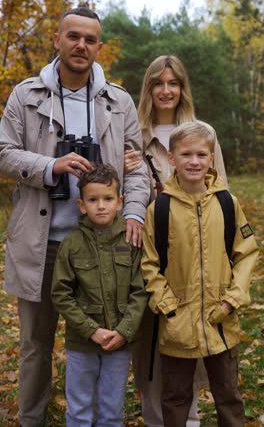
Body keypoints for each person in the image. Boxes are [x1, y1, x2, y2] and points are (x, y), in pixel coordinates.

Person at [0, 7, 149, 427]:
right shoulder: (24, 95)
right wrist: (52, 167)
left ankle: (101, 417)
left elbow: (138, 171)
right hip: (43, 243)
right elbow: (3, 152)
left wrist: (134, 212)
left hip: (108, 247)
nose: (81, 45)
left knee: (109, 341)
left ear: (99, 46)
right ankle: (32, 419)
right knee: (34, 345)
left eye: (90, 39)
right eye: (73, 36)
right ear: (58, 40)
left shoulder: (118, 101)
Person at [126, 55, 227, 427]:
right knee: (152, 344)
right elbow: (111, 192)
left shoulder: (204, 133)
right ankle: (156, 417)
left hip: (197, 258)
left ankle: (192, 417)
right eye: (158, 83)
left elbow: (222, 197)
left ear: (183, 88)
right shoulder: (132, 134)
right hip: (150, 255)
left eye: (174, 83)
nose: (166, 90)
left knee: (195, 342)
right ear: (148, 88)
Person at [141, 121, 259, 427]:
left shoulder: (227, 204)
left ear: (211, 158)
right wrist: (167, 306)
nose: (194, 161)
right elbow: (149, 264)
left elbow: (246, 253)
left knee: (228, 394)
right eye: (186, 154)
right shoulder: (160, 208)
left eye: (201, 154)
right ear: (172, 158)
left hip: (221, 320)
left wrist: (231, 301)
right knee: (176, 397)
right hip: (176, 320)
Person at [51, 164, 148, 426]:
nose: (101, 206)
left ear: (120, 202)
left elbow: (141, 292)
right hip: (82, 343)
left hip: (119, 342)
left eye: (108, 199)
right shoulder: (71, 244)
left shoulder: (132, 242)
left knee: (112, 408)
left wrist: (124, 331)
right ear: (82, 205)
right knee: (79, 409)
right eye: (93, 200)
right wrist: (91, 330)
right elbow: (61, 294)